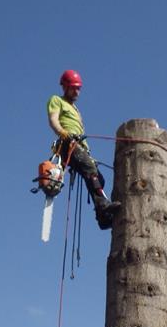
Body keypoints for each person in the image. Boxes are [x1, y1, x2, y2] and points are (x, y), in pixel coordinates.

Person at [47, 70, 121, 229]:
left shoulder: (75, 109)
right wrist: (63, 132)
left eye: (78, 88)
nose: (77, 92)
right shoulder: (56, 100)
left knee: (98, 178)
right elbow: (53, 120)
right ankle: (103, 207)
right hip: (68, 143)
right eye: (74, 88)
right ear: (65, 87)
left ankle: (102, 218)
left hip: (79, 146)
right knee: (90, 169)